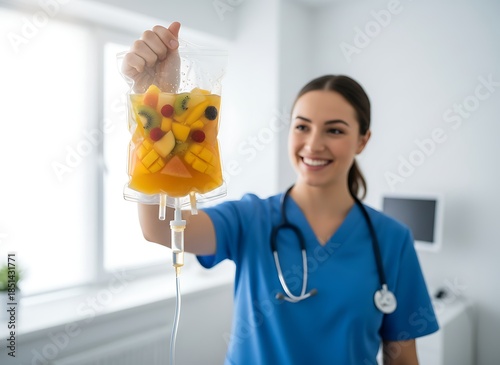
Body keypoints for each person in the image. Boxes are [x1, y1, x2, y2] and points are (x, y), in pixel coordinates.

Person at [123, 22, 439, 365]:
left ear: (363, 140)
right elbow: (159, 227)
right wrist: (157, 100)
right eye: (302, 126)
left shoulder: (392, 240)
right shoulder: (250, 219)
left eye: (335, 130)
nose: (313, 144)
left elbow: (402, 357)